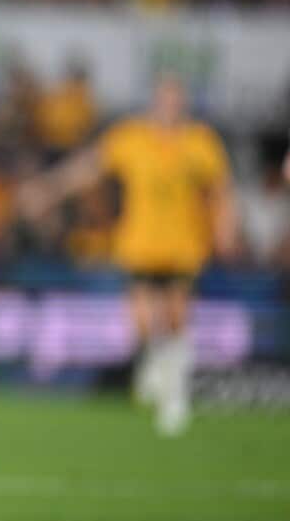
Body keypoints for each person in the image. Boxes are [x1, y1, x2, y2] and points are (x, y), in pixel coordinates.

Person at [20, 76, 237, 436]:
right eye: (164, 100)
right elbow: (88, 168)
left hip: (183, 246)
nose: (169, 107)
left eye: (175, 100)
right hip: (141, 244)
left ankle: (175, 394)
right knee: (140, 321)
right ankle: (155, 370)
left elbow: (220, 189)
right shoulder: (132, 138)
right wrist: (47, 190)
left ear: (182, 105)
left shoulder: (200, 142)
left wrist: (226, 228)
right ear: (154, 103)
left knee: (176, 319)